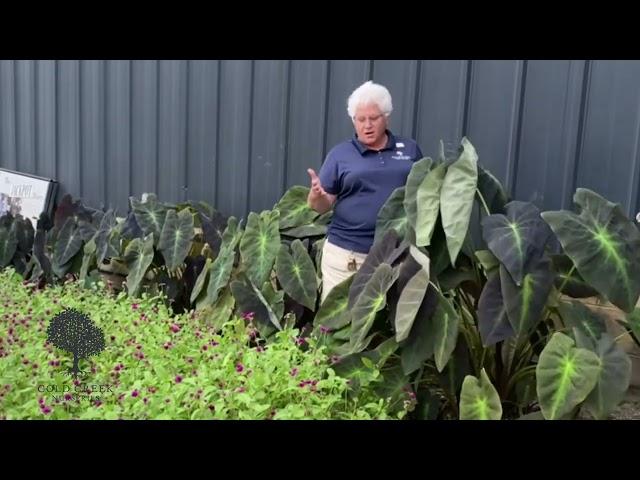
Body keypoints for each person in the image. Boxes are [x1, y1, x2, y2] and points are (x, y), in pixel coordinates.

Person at [307, 81, 424, 302]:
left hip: (397, 257)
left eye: (374, 118)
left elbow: (423, 194)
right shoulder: (340, 155)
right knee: (339, 326)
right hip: (348, 257)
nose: (367, 125)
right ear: (353, 121)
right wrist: (317, 195)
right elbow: (320, 205)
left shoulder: (409, 150)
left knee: (386, 330)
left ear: (386, 117)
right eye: (361, 120)